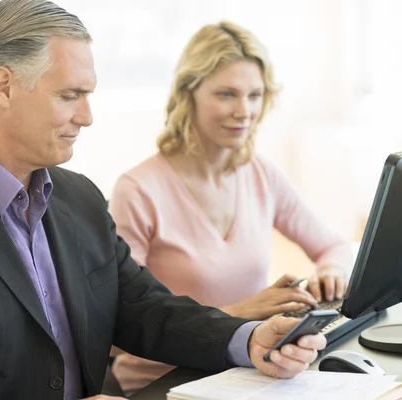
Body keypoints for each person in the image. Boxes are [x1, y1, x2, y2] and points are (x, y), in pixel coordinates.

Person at [0, 1, 327, 400]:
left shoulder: (80, 197)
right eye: (70, 96)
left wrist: (249, 340)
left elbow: (142, 309)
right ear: (3, 86)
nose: (87, 117)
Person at [109, 21, 353, 392]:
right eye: (226, 94)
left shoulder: (259, 174)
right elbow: (117, 324)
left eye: (254, 95)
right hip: (165, 382)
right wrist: (241, 314)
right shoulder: (139, 190)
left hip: (244, 369)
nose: (244, 111)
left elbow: (332, 245)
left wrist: (330, 271)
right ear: (188, 94)